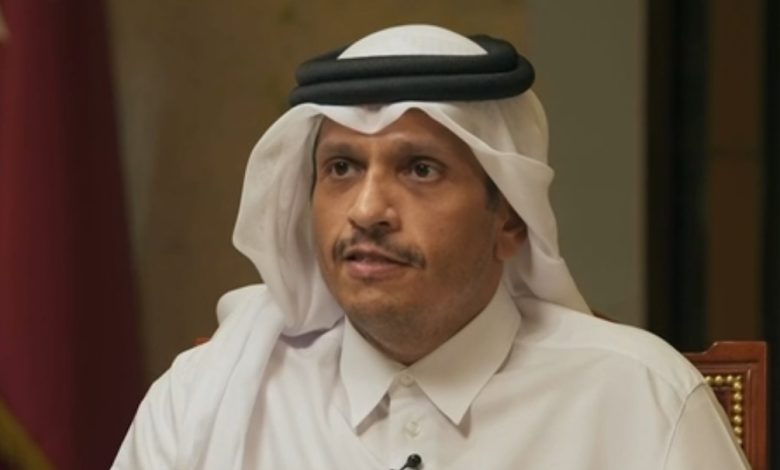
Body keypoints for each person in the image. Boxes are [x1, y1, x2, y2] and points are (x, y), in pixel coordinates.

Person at [113, 25, 750, 469]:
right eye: (341, 168)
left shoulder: (639, 400)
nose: (367, 210)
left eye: (420, 169)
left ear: (510, 218)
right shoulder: (205, 399)